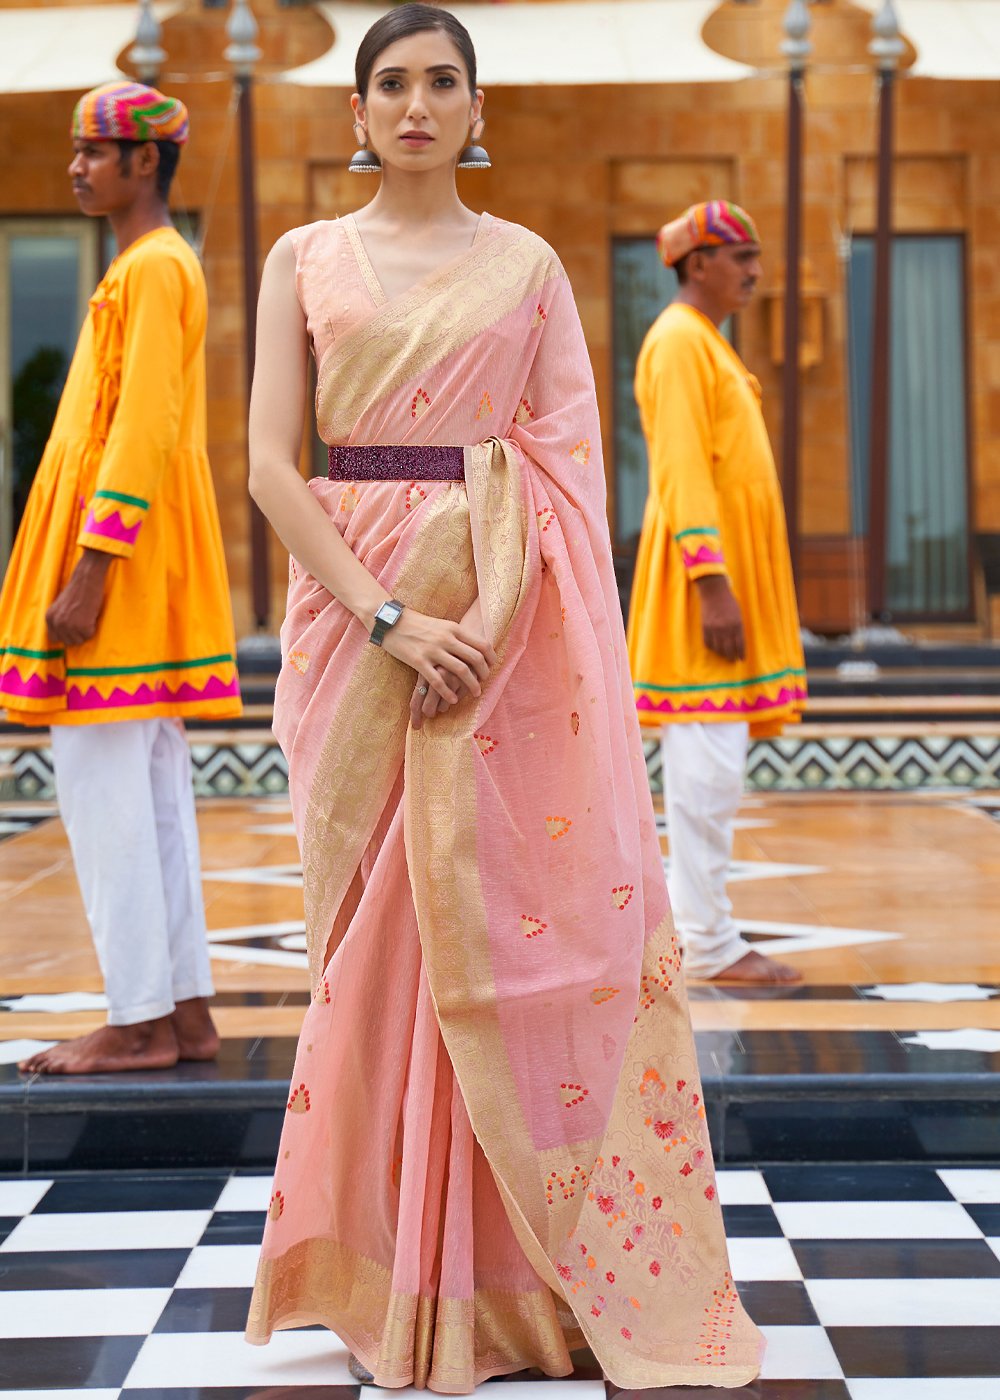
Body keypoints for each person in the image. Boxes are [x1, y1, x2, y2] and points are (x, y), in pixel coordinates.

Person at [244, 9, 763, 1391]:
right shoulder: (305, 258)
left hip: (501, 637)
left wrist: (480, 620)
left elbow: (566, 463)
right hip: (354, 628)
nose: (417, 105)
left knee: (498, 943)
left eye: (442, 82)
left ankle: (518, 1282)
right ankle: (386, 1273)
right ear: (357, 111)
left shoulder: (526, 264)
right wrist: (390, 617)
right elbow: (268, 464)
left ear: (479, 109)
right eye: (392, 84)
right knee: (372, 946)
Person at [1, 82, 241, 1074]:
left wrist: (93, 568)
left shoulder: (151, 268)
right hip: (137, 569)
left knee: (104, 791)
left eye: (93, 152)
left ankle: (138, 1017)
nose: (75, 167)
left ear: (144, 161)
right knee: (144, 791)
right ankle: (180, 1011)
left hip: (122, 575)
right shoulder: (148, 265)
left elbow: (140, 430)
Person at [626, 201, 806, 985]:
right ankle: (707, 942)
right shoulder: (676, 343)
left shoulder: (705, 344)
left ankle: (699, 930)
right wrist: (711, 582)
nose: (755, 272)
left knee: (716, 769)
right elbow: (682, 472)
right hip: (705, 587)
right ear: (698, 262)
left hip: (726, 581)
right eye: (742, 257)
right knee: (704, 770)